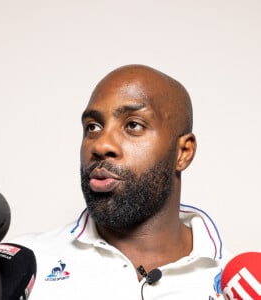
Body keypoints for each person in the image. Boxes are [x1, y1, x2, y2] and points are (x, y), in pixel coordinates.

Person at [12, 64, 230, 299]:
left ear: (183, 152)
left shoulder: (234, 280)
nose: (101, 145)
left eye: (133, 125)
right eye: (93, 127)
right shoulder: (20, 265)